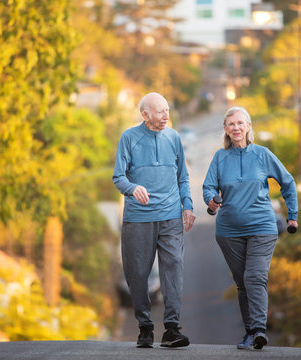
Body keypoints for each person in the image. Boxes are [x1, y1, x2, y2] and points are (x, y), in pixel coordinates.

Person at [202, 106, 298, 350]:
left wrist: (292, 216)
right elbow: (208, 188)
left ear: (248, 127)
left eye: (240, 123)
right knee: (243, 282)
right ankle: (250, 332)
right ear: (225, 129)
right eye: (231, 124)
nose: (236, 127)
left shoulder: (262, 154)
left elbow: (287, 182)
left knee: (254, 276)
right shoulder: (219, 158)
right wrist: (212, 200)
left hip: (262, 227)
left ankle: (258, 330)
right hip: (228, 232)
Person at [113, 92, 196, 348]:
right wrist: (132, 188)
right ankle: (145, 327)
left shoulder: (173, 137)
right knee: (138, 273)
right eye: (159, 112)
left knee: (174, 271)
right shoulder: (129, 138)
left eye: (167, 110)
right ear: (144, 114)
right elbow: (118, 177)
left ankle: (171, 329)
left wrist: (188, 206)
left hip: (170, 216)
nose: (165, 116)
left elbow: (182, 176)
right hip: (139, 218)